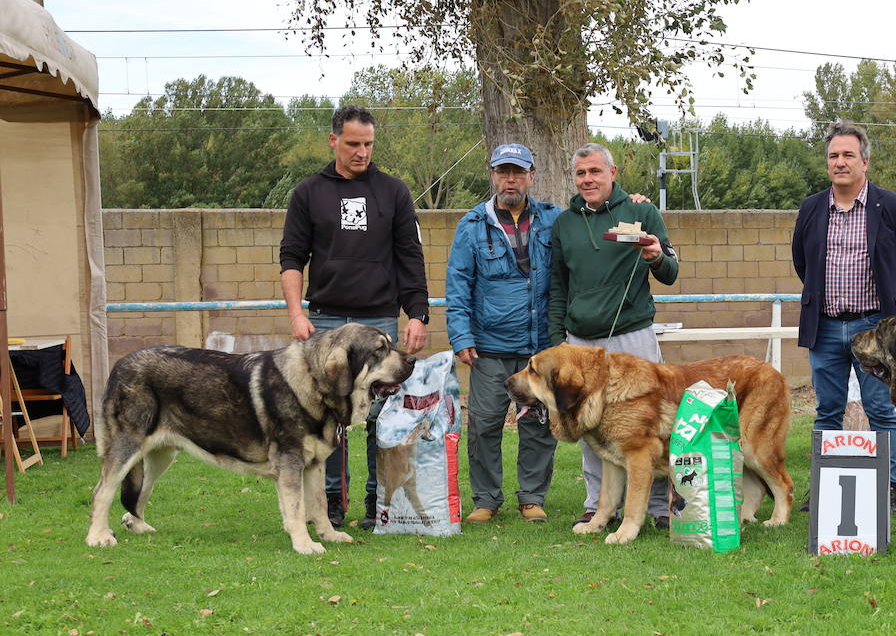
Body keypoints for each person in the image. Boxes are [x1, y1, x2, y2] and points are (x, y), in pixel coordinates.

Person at [279, 104, 430, 530]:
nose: (362, 152)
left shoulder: (394, 192)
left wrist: (417, 314)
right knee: (327, 415)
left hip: (379, 322)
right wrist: (296, 313)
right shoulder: (309, 193)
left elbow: (409, 258)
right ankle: (328, 505)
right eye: (353, 144)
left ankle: (377, 503)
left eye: (368, 144)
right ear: (333, 141)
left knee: (379, 417)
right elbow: (291, 257)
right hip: (324, 323)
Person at [548, 142, 680, 529]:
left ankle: (658, 506)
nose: (587, 180)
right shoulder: (564, 223)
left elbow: (670, 272)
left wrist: (656, 255)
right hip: (580, 343)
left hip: (632, 336)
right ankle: (598, 505)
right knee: (588, 424)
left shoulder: (641, 211)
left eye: (595, 172)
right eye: (580, 173)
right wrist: (560, 341)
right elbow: (558, 287)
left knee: (648, 423)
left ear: (612, 172)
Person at [792, 120, 896, 514]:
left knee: (882, 408)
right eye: (833, 156)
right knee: (827, 410)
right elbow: (803, 261)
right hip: (825, 326)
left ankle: (890, 486)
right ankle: (824, 485)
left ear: (865, 162)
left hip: (875, 328)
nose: (840, 162)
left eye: (848, 155)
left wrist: (886, 305)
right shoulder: (812, 207)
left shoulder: (893, 207)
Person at [444, 143, 561, 523]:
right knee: (484, 424)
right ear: (492, 175)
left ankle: (532, 497)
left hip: (539, 346)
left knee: (538, 424)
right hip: (490, 347)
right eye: (502, 171)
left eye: (518, 171)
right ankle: (486, 500)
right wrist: (461, 336)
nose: (510, 179)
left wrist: (637, 204)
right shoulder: (472, 225)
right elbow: (458, 284)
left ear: (531, 175)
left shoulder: (554, 219)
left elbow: (597, 221)